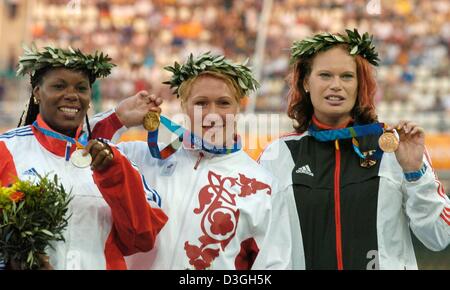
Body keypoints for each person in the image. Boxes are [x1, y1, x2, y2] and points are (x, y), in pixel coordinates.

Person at [258, 29, 450, 270]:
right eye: (325, 75)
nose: (336, 85)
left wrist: (415, 173)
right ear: (306, 82)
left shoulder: (394, 149)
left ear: (360, 84)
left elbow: (439, 237)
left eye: (347, 76)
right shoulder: (279, 155)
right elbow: (261, 247)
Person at [89, 52, 298, 269]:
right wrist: (117, 119)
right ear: (184, 105)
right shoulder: (140, 158)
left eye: (224, 103)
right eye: (201, 103)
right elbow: (77, 153)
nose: (212, 114)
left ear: (239, 106)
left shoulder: (264, 187)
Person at [0, 46, 168, 270]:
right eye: (59, 86)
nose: (72, 95)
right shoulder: (7, 150)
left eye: (81, 88)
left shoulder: (116, 159)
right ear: (37, 92)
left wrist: (114, 175)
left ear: (90, 97)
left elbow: (143, 238)